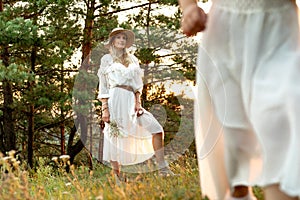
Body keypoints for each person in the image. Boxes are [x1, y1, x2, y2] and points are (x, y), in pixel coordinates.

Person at [179, 0, 300, 200]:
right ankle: (239, 192)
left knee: (280, 123)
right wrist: (189, 7)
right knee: (235, 148)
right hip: (224, 32)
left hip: (278, 30)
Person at [97, 28, 174, 182]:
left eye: (124, 38)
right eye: (118, 37)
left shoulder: (133, 59)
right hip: (115, 98)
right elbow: (103, 85)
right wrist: (105, 108)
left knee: (157, 129)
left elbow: (138, 84)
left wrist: (138, 102)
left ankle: (163, 168)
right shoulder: (106, 59)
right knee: (114, 136)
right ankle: (118, 178)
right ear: (112, 41)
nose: (121, 40)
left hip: (131, 99)